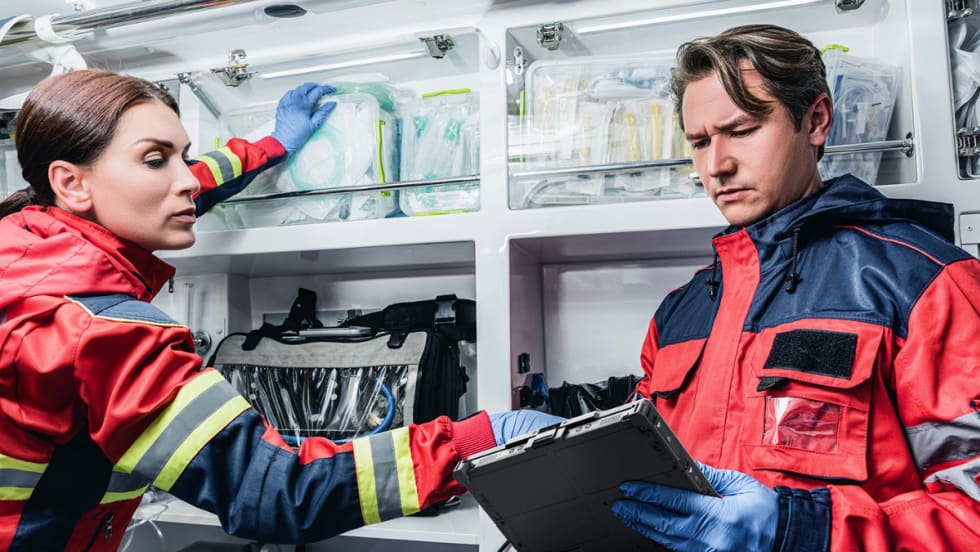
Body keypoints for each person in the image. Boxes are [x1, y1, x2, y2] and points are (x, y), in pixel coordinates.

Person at [0, 69, 561, 551]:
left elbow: (189, 183)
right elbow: (275, 491)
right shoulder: (104, 334)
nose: (187, 184)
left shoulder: (21, 250)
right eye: (155, 160)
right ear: (69, 182)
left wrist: (271, 145)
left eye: (185, 157)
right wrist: (482, 440)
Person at [611, 24, 980, 551]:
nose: (717, 166)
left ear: (815, 120)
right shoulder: (680, 311)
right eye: (699, 142)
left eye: (741, 130)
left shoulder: (927, 285)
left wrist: (798, 529)